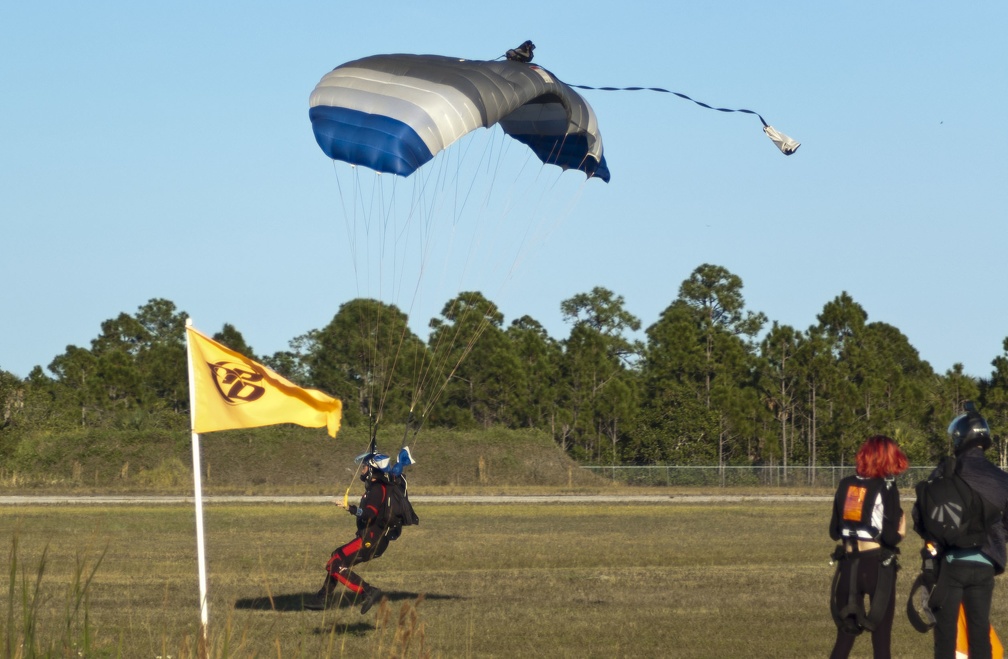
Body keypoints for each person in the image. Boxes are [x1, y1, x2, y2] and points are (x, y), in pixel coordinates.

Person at [923, 404, 1008, 658]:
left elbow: (925, 514)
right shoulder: (1001, 478)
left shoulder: (945, 471)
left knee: (946, 634)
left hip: (950, 563)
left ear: (960, 437)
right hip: (984, 564)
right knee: (979, 633)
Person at [306, 451, 418, 614]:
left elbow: (369, 514)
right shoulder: (379, 486)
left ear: (372, 469)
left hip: (369, 539)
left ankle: (367, 591)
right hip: (373, 538)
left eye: (365, 467)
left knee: (335, 564)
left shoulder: (377, 489)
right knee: (336, 556)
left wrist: (350, 508)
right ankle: (322, 597)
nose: (362, 470)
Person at [828, 435, 909, 659]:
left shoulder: (845, 484)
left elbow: (834, 531)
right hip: (876, 565)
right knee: (881, 642)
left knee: (843, 640)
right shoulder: (887, 487)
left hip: (848, 565)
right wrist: (901, 533)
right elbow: (891, 538)